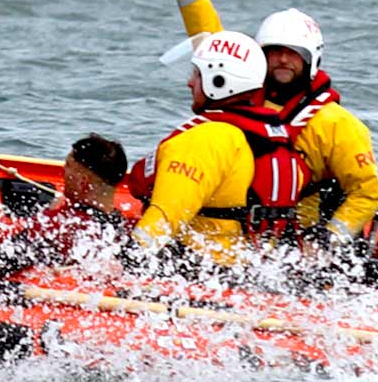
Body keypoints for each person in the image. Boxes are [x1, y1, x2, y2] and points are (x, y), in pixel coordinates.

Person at [164, 0, 378, 242]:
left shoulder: (337, 125)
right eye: (274, 51)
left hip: (289, 241)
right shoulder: (240, 89)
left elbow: (368, 193)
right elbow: (204, 29)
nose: (282, 59)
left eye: (292, 53)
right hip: (227, 227)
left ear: (311, 59)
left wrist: (327, 241)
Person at [132, 29, 309, 264]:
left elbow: (164, 218)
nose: (189, 83)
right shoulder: (271, 137)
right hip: (248, 271)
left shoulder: (205, 139)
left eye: (197, 74)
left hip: (194, 271)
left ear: (218, 81)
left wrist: (124, 261)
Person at [0, 134, 131, 272]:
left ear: (83, 182)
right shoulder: (119, 227)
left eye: (68, 165)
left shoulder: (57, 224)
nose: (63, 171)